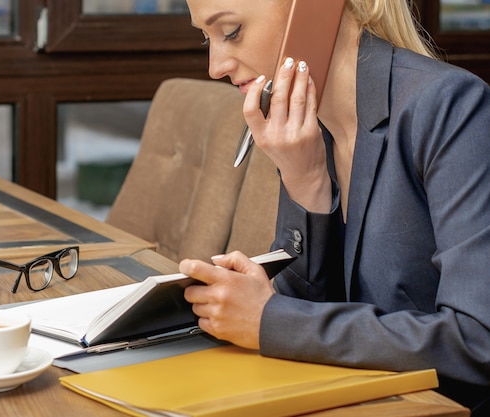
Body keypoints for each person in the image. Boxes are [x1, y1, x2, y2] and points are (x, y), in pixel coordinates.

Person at [179, 0, 490, 413]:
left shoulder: (448, 106)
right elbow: (307, 315)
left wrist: (269, 319)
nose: (215, 65)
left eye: (231, 31)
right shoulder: (305, 131)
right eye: (207, 37)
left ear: (312, 10)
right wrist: (305, 181)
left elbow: (476, 341)